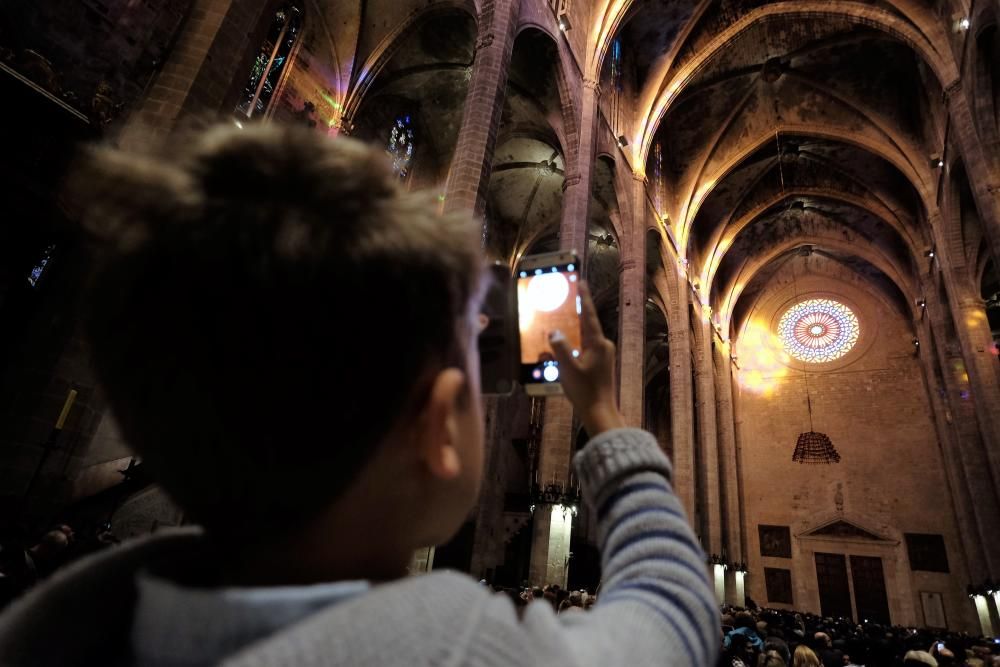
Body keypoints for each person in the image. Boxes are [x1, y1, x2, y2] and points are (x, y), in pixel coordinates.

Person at [0, 125, 718, 666]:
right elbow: (673, 609)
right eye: (480, 360)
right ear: (439, 429)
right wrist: (604, 413)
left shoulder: (79, 625)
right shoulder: (459, 649)